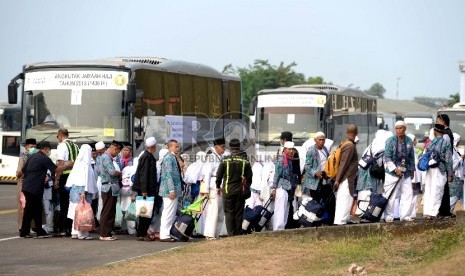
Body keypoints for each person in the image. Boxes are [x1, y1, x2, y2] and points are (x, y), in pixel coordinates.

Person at [20, 141, 72, 238]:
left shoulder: (32, 156)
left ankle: (39, 230)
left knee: (37, 209)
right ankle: (24, 231)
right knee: (30, 210)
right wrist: (67, 165)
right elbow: (56, 169)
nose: (49, 151)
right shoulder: (44, 158)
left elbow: (23, 171)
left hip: (28, 186)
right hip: (34, 188)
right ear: (45, 149)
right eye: (49, 149)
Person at [216, 139, 252, 236]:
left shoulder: (225, 160)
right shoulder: (245, 160)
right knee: (239, 213)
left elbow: (219, 175)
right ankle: (238, 234)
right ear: (239, 147)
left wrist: (217, 186)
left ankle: (231, 235)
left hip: (228, 190)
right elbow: (249, 176)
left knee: (229, 213)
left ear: (230, 148)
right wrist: (247, 186)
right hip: (240, 191)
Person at [383, 121, 415, 223]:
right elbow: (387, 157)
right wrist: (395, 169)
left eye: (400, 128)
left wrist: (412, 170)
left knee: (408, 193)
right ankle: (389, 216)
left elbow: (411, 157)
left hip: (405, 172)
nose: (398, 130)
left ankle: (405, 216)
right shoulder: (390, 140)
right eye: (396, 128)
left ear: (404, 129)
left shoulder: (409, 140)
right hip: (392, 173)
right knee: (391, 195)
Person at [65, 144, 98, 240]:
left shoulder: (77, 163)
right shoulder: (86, 164)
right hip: (83, 191)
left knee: (76, 211)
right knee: (83, 213)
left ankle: (74, 232)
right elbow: (85, 179)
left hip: (74, 191)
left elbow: (71, 179)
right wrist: (83, 192)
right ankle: (82, 233)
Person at [423, 124, 453, 220]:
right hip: (440, 169)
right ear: (443, 132)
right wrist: (450, 173)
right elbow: (448, 159)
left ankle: (427, 212)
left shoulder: (430, 143)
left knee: (429, 190)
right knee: (438, 191)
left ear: (435, 132)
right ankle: (432, 213)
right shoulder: (446, 143)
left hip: (429, 169)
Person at [132, 137, 159, 241]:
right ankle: (142, 233)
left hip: (147, 189)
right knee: (145, 213)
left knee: (146, 212)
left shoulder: (148, 156)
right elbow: (144, 175)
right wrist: (144, 190)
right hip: (145, 190)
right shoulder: (146, 157)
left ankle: (142, 232)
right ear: (152, 146)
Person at [95, 140, 123, 241]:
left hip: (107, 186)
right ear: (115, 149)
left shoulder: (102, 157)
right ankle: (104, 233)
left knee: (108, 210)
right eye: (117, 152)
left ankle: (106, 233)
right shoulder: (107, 157)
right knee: (108, 211)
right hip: (109, 187)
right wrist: (120, 173)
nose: (117, 154)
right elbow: (111, 171)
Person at [55, 128, 79, 237]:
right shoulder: (75, 146)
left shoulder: (62, 146)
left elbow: (60, 163)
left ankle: (64, 228)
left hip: (65, 176)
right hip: (75, 177)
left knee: (64, 203)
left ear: (60, 135)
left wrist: (57, 179)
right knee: (73, 202)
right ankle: (72, 227)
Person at [333, 124, 359, 225]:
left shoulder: (346, 143)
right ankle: (340, 222)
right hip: (346, 178)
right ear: (356, 133)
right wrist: (338, 180)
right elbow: (343, 164)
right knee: (345, 200)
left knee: (344, 200)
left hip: (345, 178)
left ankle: (340, 221)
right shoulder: (349, 145)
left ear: (347, 132)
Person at [201, 138, 227, 240]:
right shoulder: (211, 157)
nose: (224, 149)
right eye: (222, 147)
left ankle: (216, 233)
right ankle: (209, 233)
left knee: (220, 212)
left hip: (221, 186)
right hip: (213, 187)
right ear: (216, 147)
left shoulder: (221, 157)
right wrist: (205, 190)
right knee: (213, 211)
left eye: (224, 147)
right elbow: (206, 174)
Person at [158, 140, 183, 242]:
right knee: (168, 212)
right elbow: (168, 175)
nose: (178, 148)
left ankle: (167, 232)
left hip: (173, 190)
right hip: (169, 190)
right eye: (176, 147)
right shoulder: (168, 158)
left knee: (171, 213)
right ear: (170, 147)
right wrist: (171, 190)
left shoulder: (173, 157)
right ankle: (164, 234)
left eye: (178, 147)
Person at [271, 141, 299, 230]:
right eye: (289, 149)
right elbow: (277, 174)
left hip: (289, 188)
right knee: (280, 210)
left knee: (286, 210)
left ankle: (282, 229)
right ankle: (278, 229)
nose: (291, 151)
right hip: (281, 188)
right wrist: (274, 189)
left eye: (292, 149)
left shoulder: (291, 160)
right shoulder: (281, 160)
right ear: (285, 149)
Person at [15, 138, 37, 234]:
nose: (33, 149)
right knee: (22, 206)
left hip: (31, 183)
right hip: (23, 183)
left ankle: (32, 226)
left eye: (35, 147)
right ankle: (21, 227)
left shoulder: (35, 156)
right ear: (26, 147)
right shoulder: (23, 157)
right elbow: (19, 172)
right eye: (31, 147)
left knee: (31, 206)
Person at [436, 114, 455, 217]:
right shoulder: (446, 132)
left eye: (439, 120)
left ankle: (444, 210)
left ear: (443, 121)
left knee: (443, 187)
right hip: (444, 163)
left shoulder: (446, 134)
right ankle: (444, 210)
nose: (437, 122)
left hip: (444, 163)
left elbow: (445, 151)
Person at [449, 133, 463, 213]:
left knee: (455, 195)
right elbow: (452, 165)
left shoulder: (454, 149)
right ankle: (447, 212)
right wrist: (460, 159)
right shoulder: (451, 149)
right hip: (453, 176)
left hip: (456, 176)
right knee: (454, 195)